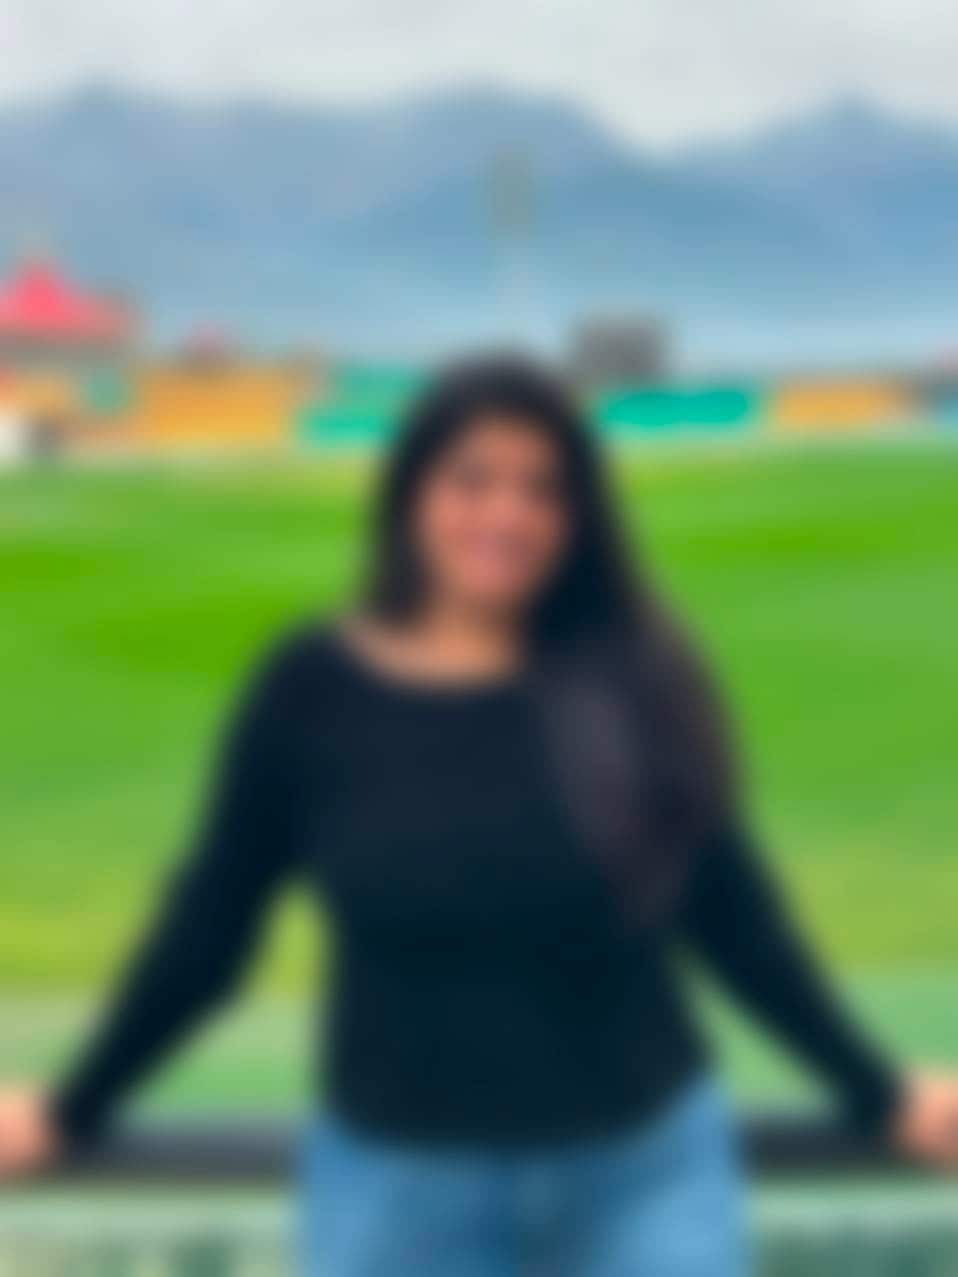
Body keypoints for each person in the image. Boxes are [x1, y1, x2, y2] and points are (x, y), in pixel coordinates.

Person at [1, 355, 957, 1275]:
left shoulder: (631, 679)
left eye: (543, 488)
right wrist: (72, 1109)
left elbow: (733, 917)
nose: (507, 512)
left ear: (578, 517)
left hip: (642, 1179)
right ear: (412, 493)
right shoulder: (311, 691)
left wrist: (878, 1092)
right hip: (402, 1196)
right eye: (472, 479)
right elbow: (209, 929)